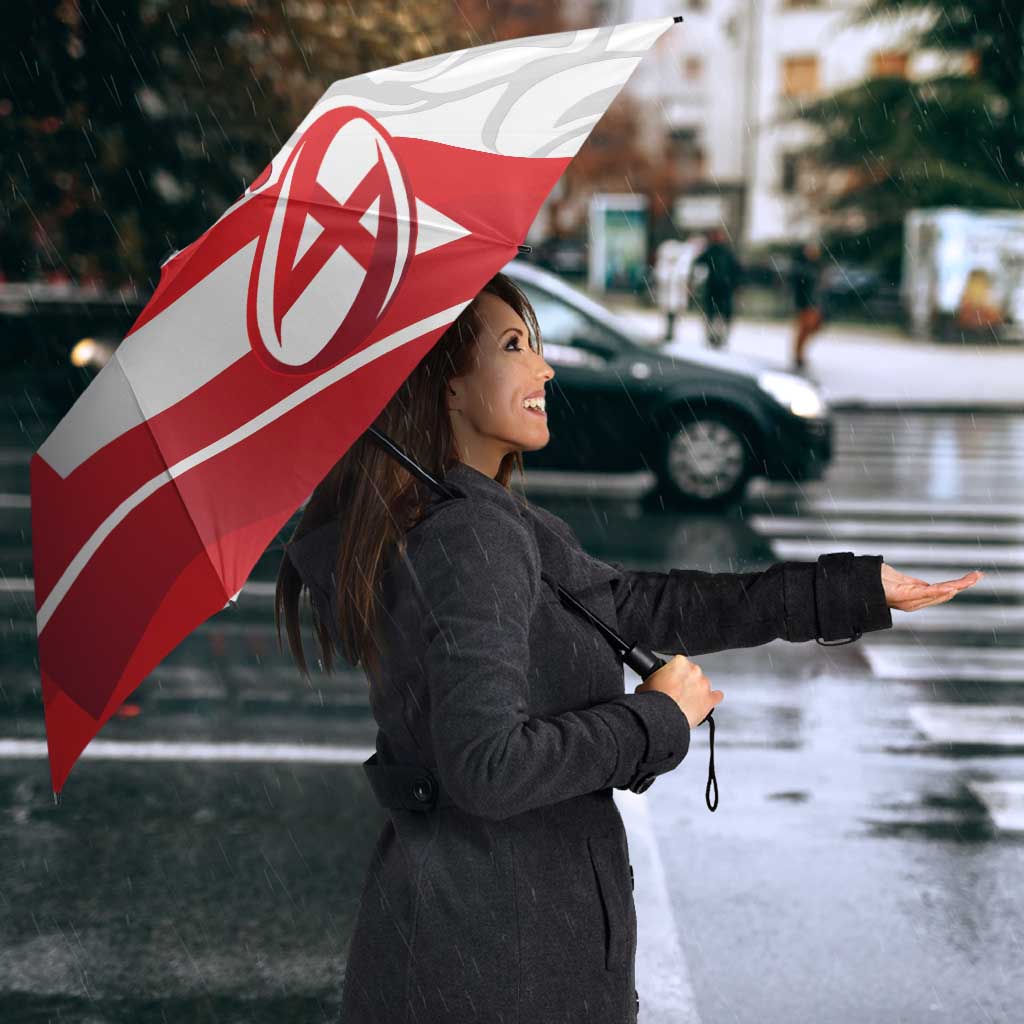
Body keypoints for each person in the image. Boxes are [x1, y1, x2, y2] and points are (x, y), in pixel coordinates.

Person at [276, 271, 981, 1024]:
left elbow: (643, 605)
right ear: (446, 386)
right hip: (496, 962)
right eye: (514, 346)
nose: (544, 368)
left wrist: (850, 590)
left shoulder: (481, 520)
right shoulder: (469, 536)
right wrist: (654, 719)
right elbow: (487, 767)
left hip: (480, 943)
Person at [692, 226, 742, 349]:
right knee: (713, 314)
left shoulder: (725, 252)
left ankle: (719, 337)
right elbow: (698, 264)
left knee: (720, 315)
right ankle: (713, 337)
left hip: (723, 288)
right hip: (715, 288)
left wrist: (735, 284)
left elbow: (736, 270)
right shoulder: (712, 251)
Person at [790, 239, 826, 370]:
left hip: (814, 303)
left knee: (812, 328)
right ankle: (798, 355)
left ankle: (799, 354)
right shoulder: (802, 267)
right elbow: (799, 286)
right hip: (805, 303)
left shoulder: (817, 266)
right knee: (804, 329)